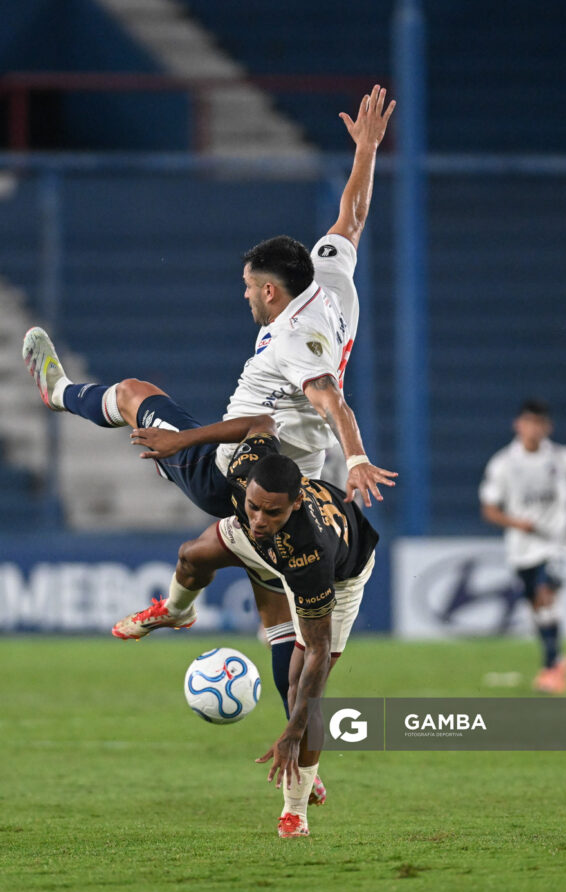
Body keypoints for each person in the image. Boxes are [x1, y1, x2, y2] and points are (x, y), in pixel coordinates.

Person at [22, 84, 396, 735]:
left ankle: (56, 395)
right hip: (295, 486)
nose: (245, 295)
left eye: (250, 288)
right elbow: (353, 216)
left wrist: (359, 455)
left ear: (274, 292)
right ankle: (295, 759)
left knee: (136, 394)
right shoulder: (330, 281)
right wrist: (366, 150)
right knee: (255, 590)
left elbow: (324, 395)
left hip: (243, 471)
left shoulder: (291, 336)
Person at [120, 414, 379, 838]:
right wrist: (181, 440)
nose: (258, 517)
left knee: (301, 694)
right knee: (192, 555)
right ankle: (176, 609)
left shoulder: (308, 556)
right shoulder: (249, 479)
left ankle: (295, 810)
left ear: (295, 504)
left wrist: (292, 732)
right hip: (274, 545)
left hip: (339, 575)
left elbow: (316, 651)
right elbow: (261, 423)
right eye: (253, 505)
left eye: (271, 511)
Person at [479, 399, 566, 693]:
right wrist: (518, 524)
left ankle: (551, 667)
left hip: (557, 543)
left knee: (546, 594)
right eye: (529, 422)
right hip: (522, 547)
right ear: (518, 425)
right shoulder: (503, 462)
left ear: (548, 427)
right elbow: (489, 509)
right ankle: (557, 659)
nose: (534, 429)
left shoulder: (562, 457)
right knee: (537, 606)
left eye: (540, 423)